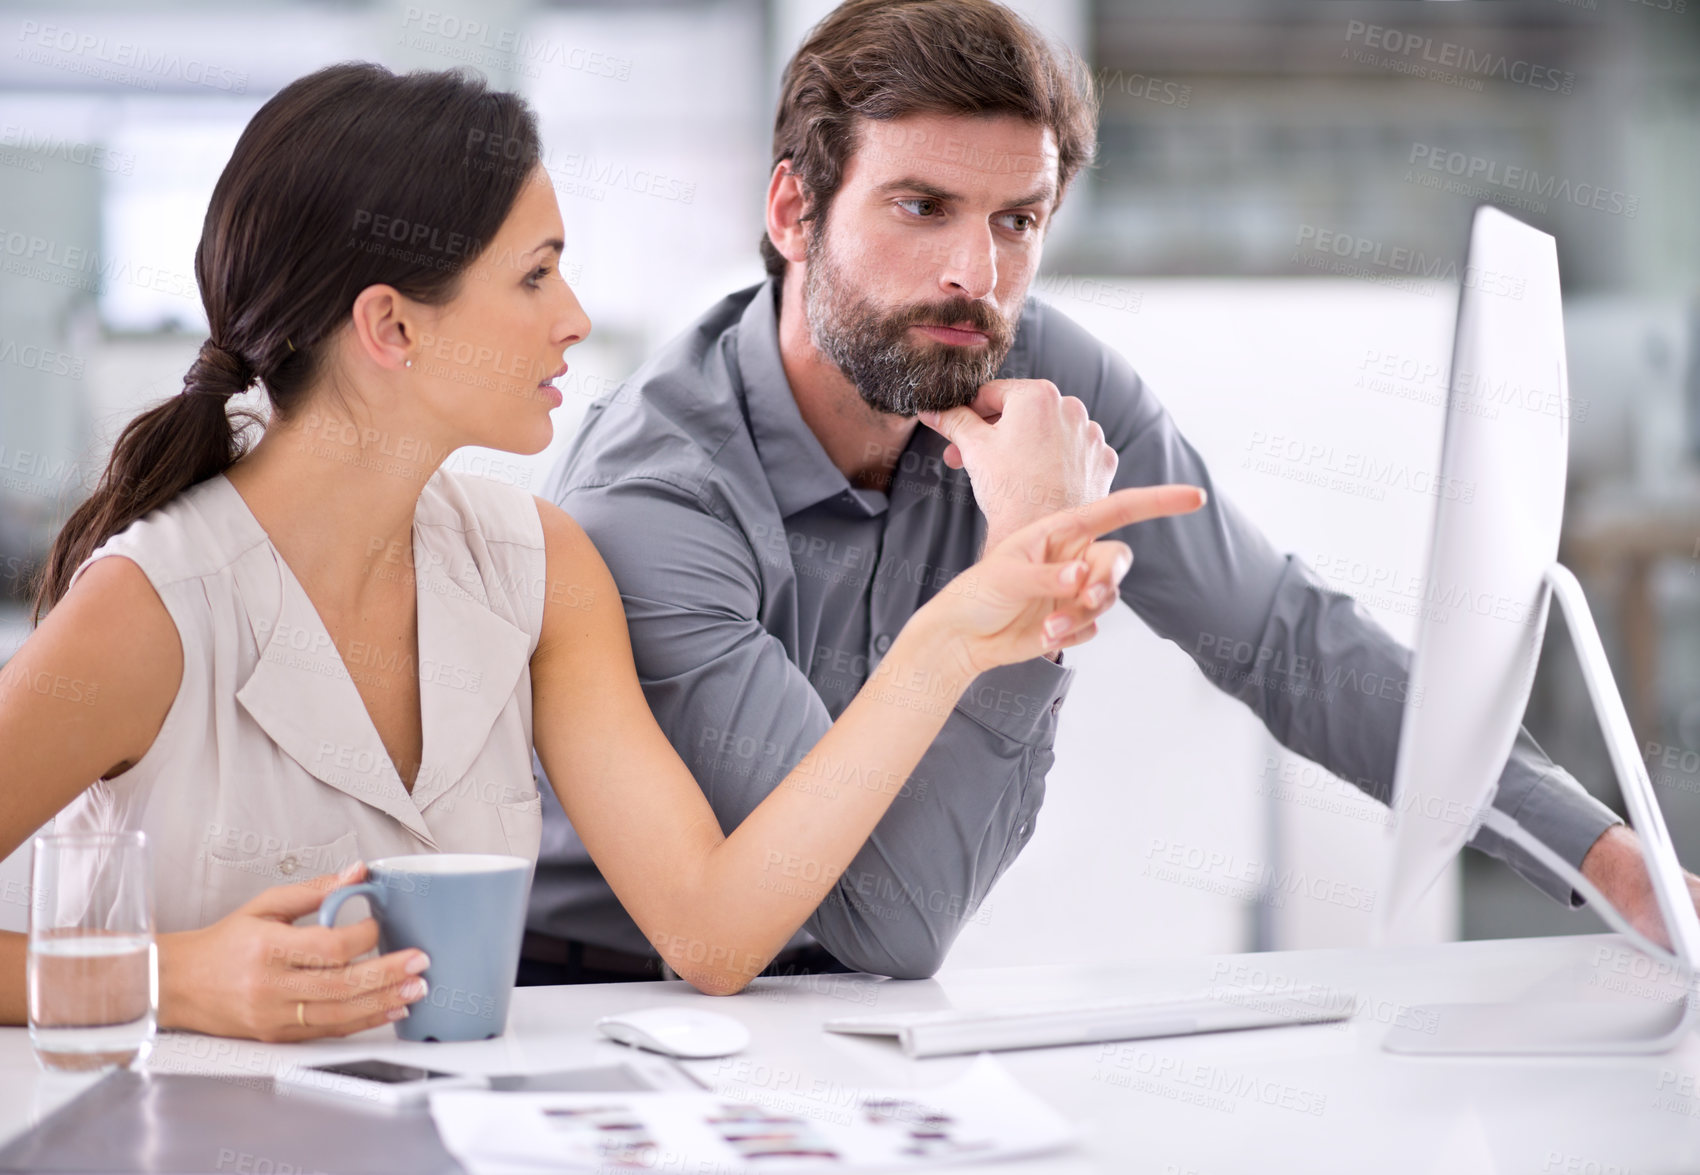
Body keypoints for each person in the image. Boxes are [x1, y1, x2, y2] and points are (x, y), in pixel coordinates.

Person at [0, 61, 1203, 1041]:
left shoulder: (536, 566)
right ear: (390, 326)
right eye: (534, 275)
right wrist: (169, 978)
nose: (574, 316)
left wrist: (964, 626)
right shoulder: (154, 607)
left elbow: (715, 932)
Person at [522, 0, 1699, 984]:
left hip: (829, 1010)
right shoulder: (658, 500)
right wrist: (1031, 575)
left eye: (1015, 222)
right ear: (791, 211)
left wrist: (1601, 853)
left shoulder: (1038, 367)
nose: (971, 276)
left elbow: (1280, 636)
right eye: (919, 206)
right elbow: (889, 923)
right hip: (612, 996)